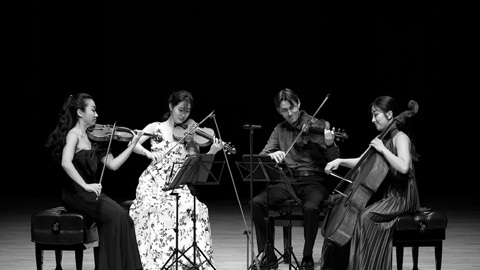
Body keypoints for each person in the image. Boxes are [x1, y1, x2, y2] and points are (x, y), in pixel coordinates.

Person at [320, 96, 420, 270]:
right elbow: (361, 161)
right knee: (350, 214)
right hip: (386, 194)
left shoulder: (400, 138)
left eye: (376, 115)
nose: (372, 120)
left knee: (365, 217)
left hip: (402, 196)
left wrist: (382, 149)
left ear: (389, 114)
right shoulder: (381, 137)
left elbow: (404, 167)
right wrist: (340, 161)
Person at [45, 93, 143, 270]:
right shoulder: (73, 135)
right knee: (117, 217)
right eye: (93, 109)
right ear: (80, 113)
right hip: (76, 193)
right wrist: (85, 185)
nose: (97, 115)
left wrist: (132, 144)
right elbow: (66, 163)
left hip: (92, 193)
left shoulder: (94, 138)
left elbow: (113, 165)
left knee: (124, 219)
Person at [128, 90, 222, 270]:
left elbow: (196, 165)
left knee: (198, 209)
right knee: (157, 209)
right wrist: (150, 153)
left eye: (187, 111)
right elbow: (133, 142)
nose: (184, 115)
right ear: (171, 107)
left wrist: (212, 151)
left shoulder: (191, 133)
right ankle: (160, 262)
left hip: (177, 181)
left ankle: (188, 261)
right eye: (180, 110)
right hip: (153, 182)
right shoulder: (155, 127)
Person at [252, 88, 341, 270]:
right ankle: (268, 255)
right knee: (257, 202)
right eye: (284, 110)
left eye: (292, 107)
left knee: (310, 207)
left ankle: (307, 255)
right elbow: (262, 156)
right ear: (278, 111)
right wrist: (273, 155)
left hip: (315, 181)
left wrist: (330, 144)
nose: (290, 113)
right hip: (289, 181)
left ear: (298, 103)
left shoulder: (318, 125)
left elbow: (334, 160)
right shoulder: (280, 129)